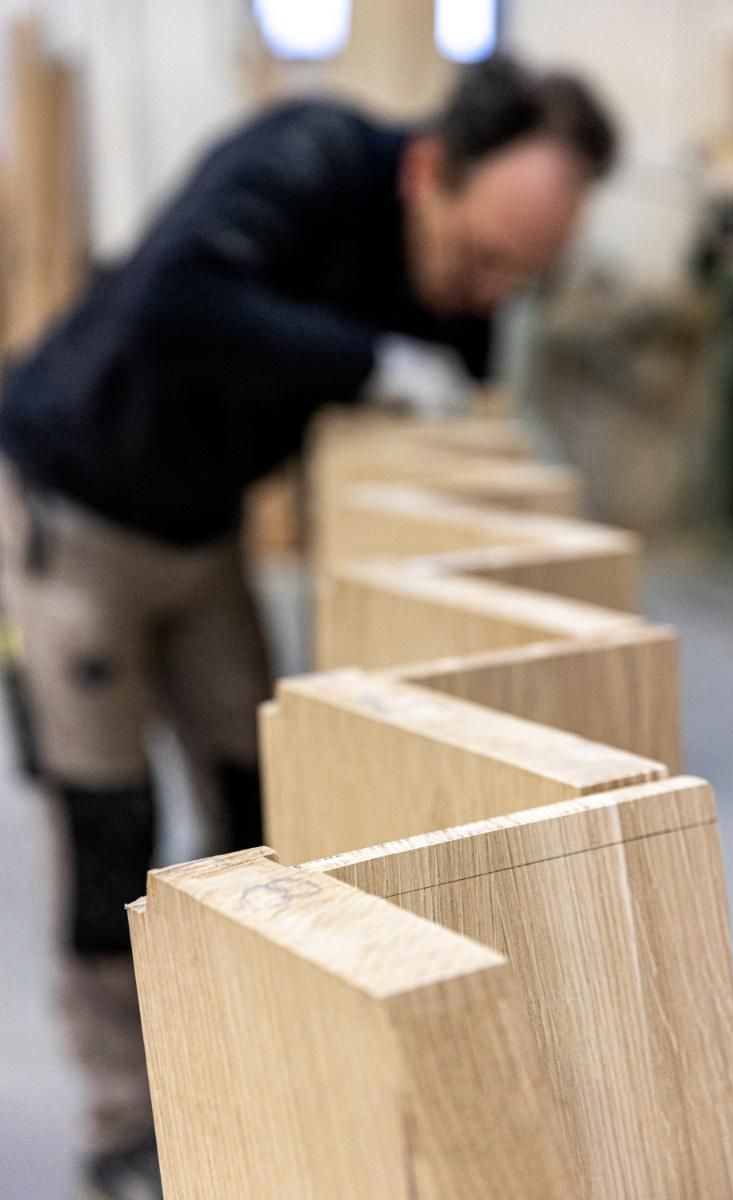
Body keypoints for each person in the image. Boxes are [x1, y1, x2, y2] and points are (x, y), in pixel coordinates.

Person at [0, 54, 616, 1200]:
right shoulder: (306, 159)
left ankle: (255, 1068)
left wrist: (452, 342)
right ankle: (119, 1125)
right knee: (104, 826)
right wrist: (367, 359)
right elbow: (176, 297)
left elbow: (460, 351)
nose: (480, 292)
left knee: (260, 803)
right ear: (427, 169)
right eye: (478, 257)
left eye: (511, 279)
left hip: (200, 533)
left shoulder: (449, 267)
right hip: (72, 516)